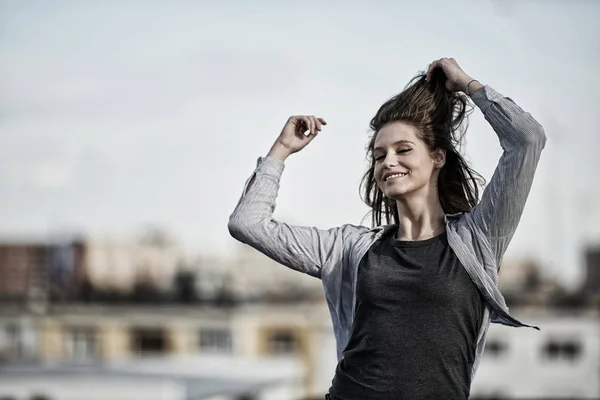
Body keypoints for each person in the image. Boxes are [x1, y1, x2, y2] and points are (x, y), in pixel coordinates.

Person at [228, 58, 546, 399]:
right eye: (379, 156)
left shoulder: (477, 238)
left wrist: (468, 85)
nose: (388, 161)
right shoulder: (348, 248)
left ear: (438, 157)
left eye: (403, 150)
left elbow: (527, 140)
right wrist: (281, 151)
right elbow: (248, 223)